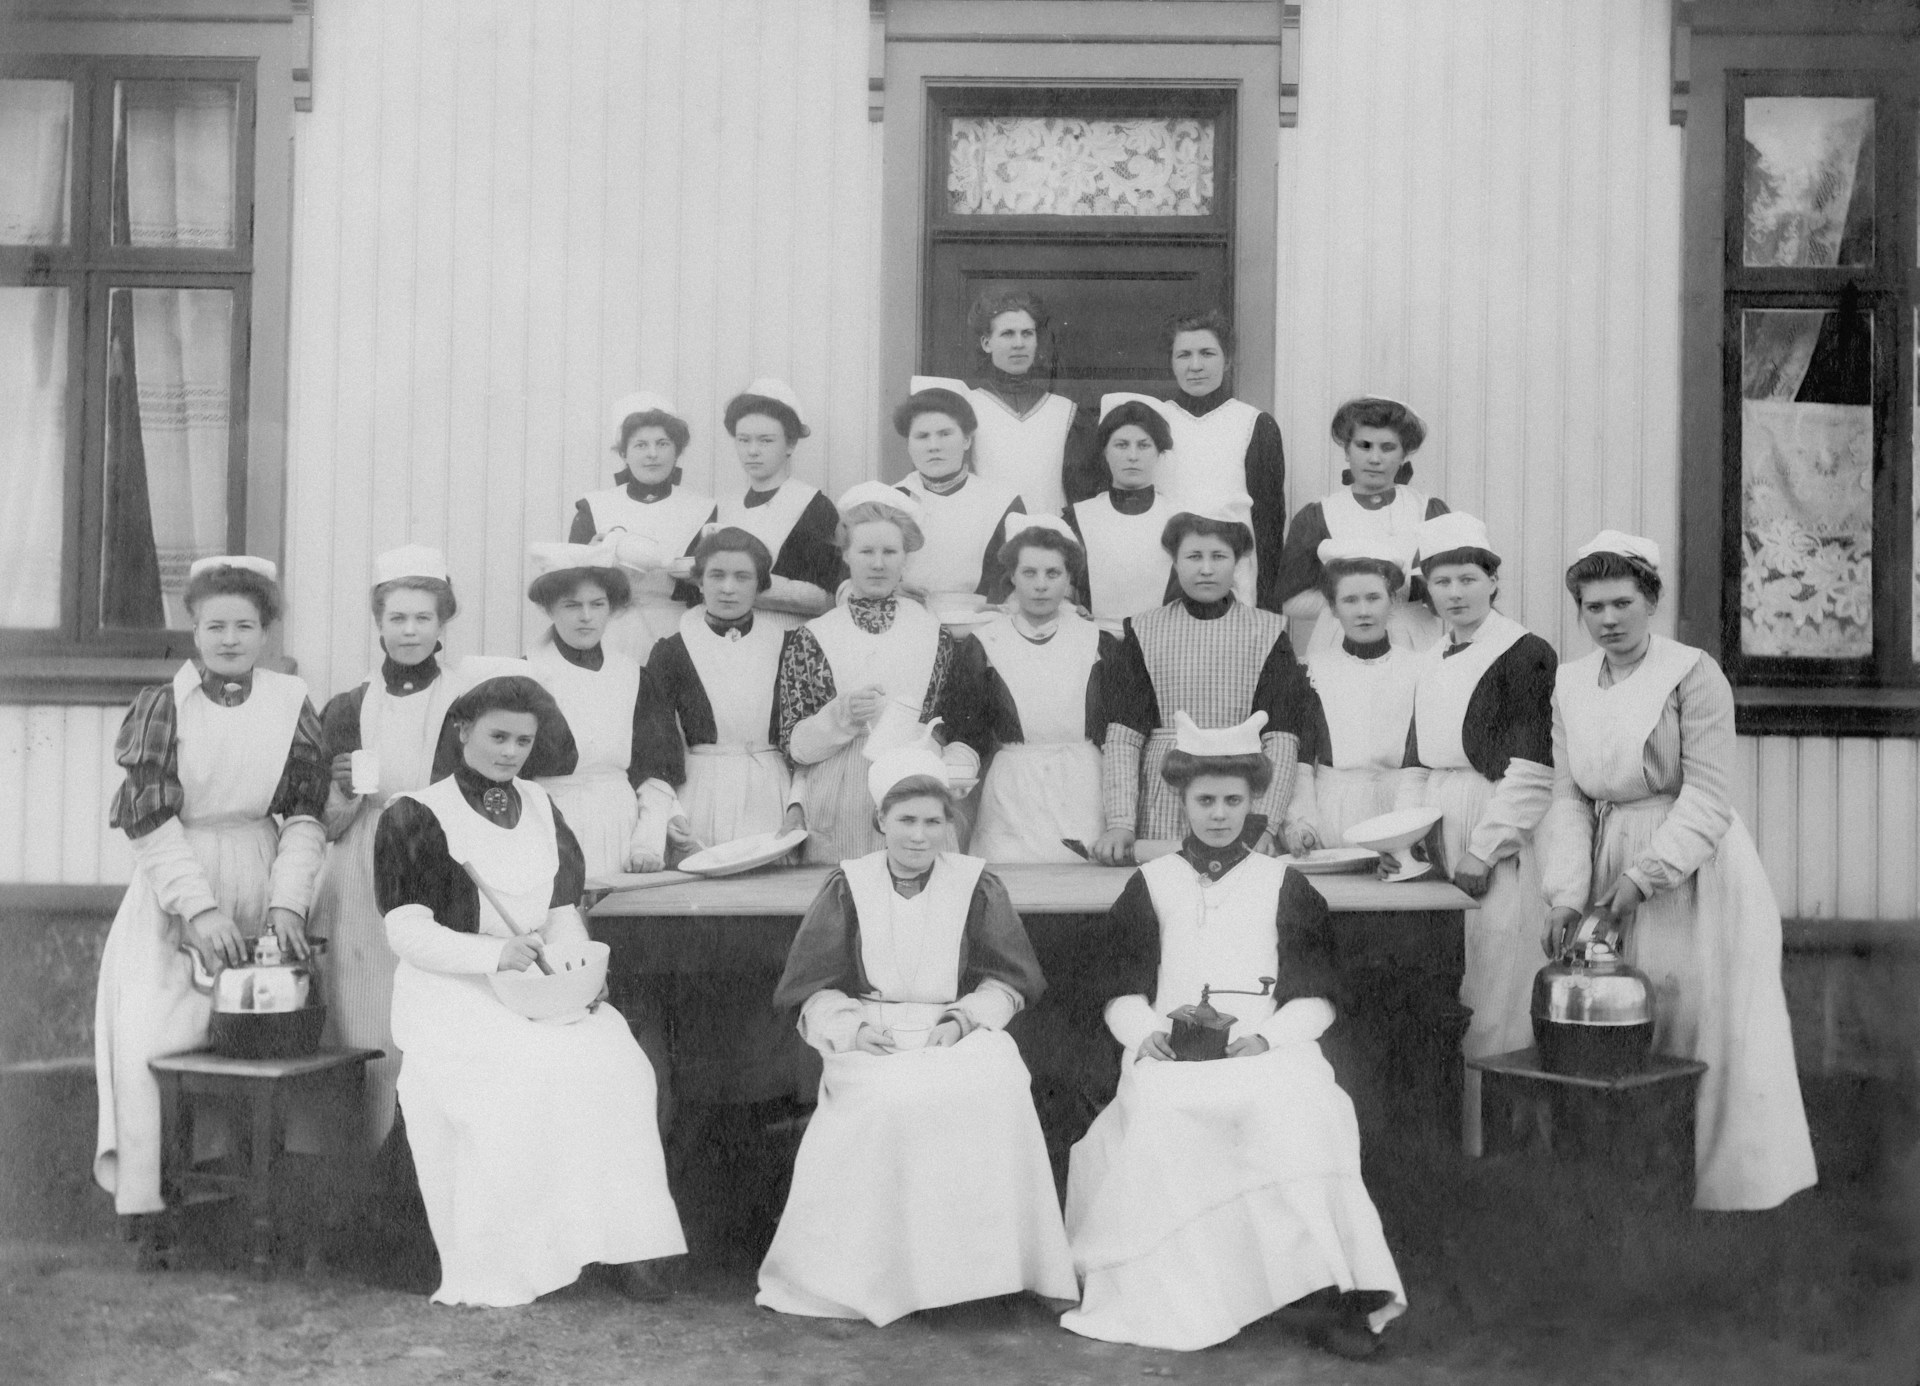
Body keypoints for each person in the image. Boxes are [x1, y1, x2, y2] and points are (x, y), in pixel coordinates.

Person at [1062, 712, 1405, 1358]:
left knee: (1306, 1108)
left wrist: (1270, 1039)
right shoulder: (1151, 883)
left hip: (1268, 1044)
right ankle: (1189, 1292)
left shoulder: (1283, 884)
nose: (1219, 815)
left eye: (1232, 801)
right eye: (1205, 801)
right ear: (1182, 801)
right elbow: (1119, 987)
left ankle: (1329, 1291)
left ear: (1252, 804)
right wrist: (1144, 1033)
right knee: (1167, 1112)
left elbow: (1317, 993)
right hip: (1171, 1051)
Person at [374, 675, 686, 1306]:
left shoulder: (541, 806)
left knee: (620, 1064)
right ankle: (522, 1255)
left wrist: (573, 971)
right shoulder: (414, 814)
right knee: (528, 1071)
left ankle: (620, 1244)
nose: (510, 752)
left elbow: (561, 910)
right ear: (463, 730)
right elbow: (406, 932)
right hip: (452, 991)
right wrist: (492, 954)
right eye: (498, 736)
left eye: (523, 740)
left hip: (533, 986)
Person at [1538, 532, 1817, 1211]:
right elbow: (1567, 796)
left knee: (1694, 1016)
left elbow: (1708, 796)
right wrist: (1567, 894)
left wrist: (1641, 879)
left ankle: (1714, 1188)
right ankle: (1623, 1187)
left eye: (1623, 603)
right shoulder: (1570, 683)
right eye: (1594, 606)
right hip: (1607, 855)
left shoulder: (1693, 673)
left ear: (1652, 600)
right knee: (1620, 1020)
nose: (1609, 619)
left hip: (1692, 864)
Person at [756, 740, 1076, 1323]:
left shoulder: (975, 883)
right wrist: (850, 1029)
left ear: (949, 824)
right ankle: (892, 1279)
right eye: (906, 820)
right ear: (881, 820)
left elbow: (1009, 979)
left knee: (1001, 1080)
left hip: (953, 1029)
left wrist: (965, 1019)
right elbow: (810, 987)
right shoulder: (848, 885)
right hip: (871, 1035)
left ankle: (1000, 1270)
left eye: (933, 822)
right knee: (893, 1100)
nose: (920, 836)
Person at [93, 557, 329, 1228]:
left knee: (260, 1037)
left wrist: (287, 902)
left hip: (260, 871)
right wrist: (197, 909)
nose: (230, 639)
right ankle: (152, 1205)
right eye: (215, 626)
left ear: (266, 633)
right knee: (154, 1037)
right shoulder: (164, 705)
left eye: (245, 626)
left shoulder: (291, 702)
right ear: (193, 629)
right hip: (176, 883)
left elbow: (305, 813)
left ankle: (247, 1205)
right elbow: (147, 817)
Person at [309, 545, 525, 1149]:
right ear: (378, 622)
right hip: (360, 873)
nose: (409, 631)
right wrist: (342, 792)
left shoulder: (470, 702)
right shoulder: (347, 707)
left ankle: (425, 1163)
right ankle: (365, 1164)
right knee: (363, 1022)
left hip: (442, 864)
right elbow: (323, 823)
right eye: (397, 618)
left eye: (423, 618)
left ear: (442, 622)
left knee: (438, 1015)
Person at [1394, 513, 1556, 1058]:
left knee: (1496, 968)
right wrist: (1404, 838)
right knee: (1444, 977)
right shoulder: (1430, 659)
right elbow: (1415, 761)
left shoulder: (1525, 652)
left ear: (1493, 581)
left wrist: (1484, 851)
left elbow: (1533, 770)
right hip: (1436, 824)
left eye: (1468, 578)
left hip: (1495, 823)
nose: (1455, 593)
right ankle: (1451, 1102)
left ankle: (1494, 1099)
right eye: (1442, 581)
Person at [775, 484, 980, 863]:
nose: (878, 563)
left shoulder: (934, 634)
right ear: (846, 554)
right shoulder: (814, 636)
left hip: (916, 790)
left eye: (890, 552)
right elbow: (795, 746)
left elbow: (952, 729)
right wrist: (842, 716)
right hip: (840, 793)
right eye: (866, 551)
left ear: (905, 557)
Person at [1092, 507, 1305, 866]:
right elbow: (1125, 737)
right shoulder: (1144, 630)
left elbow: (1281, 739)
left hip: (1239, 800)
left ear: (1237, 562)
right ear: (1174, 562)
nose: (1206, 569)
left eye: (1218, 556)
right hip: (1165, 795)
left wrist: (1265, 824)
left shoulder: (1268, 632)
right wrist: (1120, 823)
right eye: (1193, 556)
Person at [949, 517, 1113, 862]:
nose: (1041, 585)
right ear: (1012, 576)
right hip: (1012, 792)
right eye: (1029, 573)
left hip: (1083, 785)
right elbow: (967, 731)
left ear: (1069, 578)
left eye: (1053, 573)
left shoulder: (1097, 641)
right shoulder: (986, 642)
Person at [522, 543, 684, 880]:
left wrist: (647, 844)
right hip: (547, 827)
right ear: (549, 609)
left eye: (597, 604)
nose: (586, 616)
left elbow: (657, 769)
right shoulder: (525, 675)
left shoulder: (633, 676)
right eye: (571, 605)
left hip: (622, 826)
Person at [1275, 395, 1448, 655]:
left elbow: (1449, 588)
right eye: (1364, 446)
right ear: (1347, 451)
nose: (1375, 458)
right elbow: (1290, 600)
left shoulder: (1428, 511)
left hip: (1413, 638)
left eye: (1388, 447)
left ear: (1403, 454)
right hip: (1341, 638)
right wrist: (1350, 601)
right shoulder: (1319, 516)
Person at [1287, 537, 1423, 851]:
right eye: (1349, 600)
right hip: (1333, 814)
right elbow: (1303, 766)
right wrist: (1302, 824)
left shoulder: (1418, 669)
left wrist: (1403, 834)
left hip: (1399, 810)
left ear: (1392, 600)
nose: (1363, 611)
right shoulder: (1313, 672)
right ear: (1333, 608)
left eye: (1374, 598)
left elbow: (1418, 765)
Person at [912, 288, 1092, 517]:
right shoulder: (967, 406)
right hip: (988, 533)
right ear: (986, 343)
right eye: (1007, 334)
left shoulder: (1066, 412)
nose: (1019, 343)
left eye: (1027, 333)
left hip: (1050, 534)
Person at [570, 391, 717, 664]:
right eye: (640, 445)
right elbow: (569, 586)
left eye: (662, 444)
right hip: (608, 632)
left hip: (680, 633)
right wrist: (586, 559)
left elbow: (710, 586)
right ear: (624, 453)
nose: (652, 454)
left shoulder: (703, 509)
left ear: (677, 451)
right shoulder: (594, 507)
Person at [1156, 310, 1287, 609]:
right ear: (1171, 362)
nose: (1195, 366)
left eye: (1207, 353)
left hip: (1235, 579)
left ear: (1227, 360)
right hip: (1164, 573)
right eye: (1184, 355)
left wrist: (1268, 605)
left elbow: (1268, 522)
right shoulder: (1154, 420)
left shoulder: (1255, 424)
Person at [712, 379, 843, 632]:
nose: (752, 451)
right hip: (725, 637)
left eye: (766, 440)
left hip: (789, 638)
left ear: (790, 444)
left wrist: (742, 587)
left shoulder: (812, 506)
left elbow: (827, 597)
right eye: (743, 440)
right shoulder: (723, 505)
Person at [891, 387, 1025, 611]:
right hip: (905, 616)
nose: (934, 446)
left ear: (966, 440)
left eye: (945, 434)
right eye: (922, 436)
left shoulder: (1002, 502)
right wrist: (890, 588)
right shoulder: (890, 501)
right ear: (909, 445)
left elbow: (1014, 579)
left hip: (979, 620)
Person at [1062, 395, 1179, 633]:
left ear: (1159, 452)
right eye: (1121, 445)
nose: (1132, 456)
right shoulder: (1077, 518)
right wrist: (1067, 608)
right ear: (1105, 451)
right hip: (1095, 644)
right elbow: (1062, 589)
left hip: (1162, 644)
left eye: (1143, 445)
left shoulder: (1181, 519)